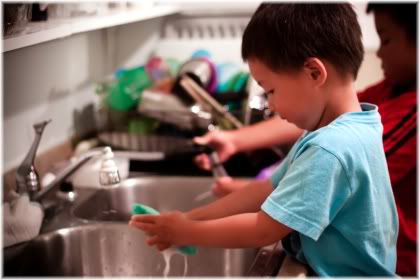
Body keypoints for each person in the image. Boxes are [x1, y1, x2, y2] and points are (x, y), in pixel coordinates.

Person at [129, 3, 398, 276]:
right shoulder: (353, 126)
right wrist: (188, 218)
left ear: (314, 72)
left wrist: (187, 232)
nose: (271, 105)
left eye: (271, 90)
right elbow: (266, 190)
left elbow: (263, 229)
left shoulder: (329, 149)